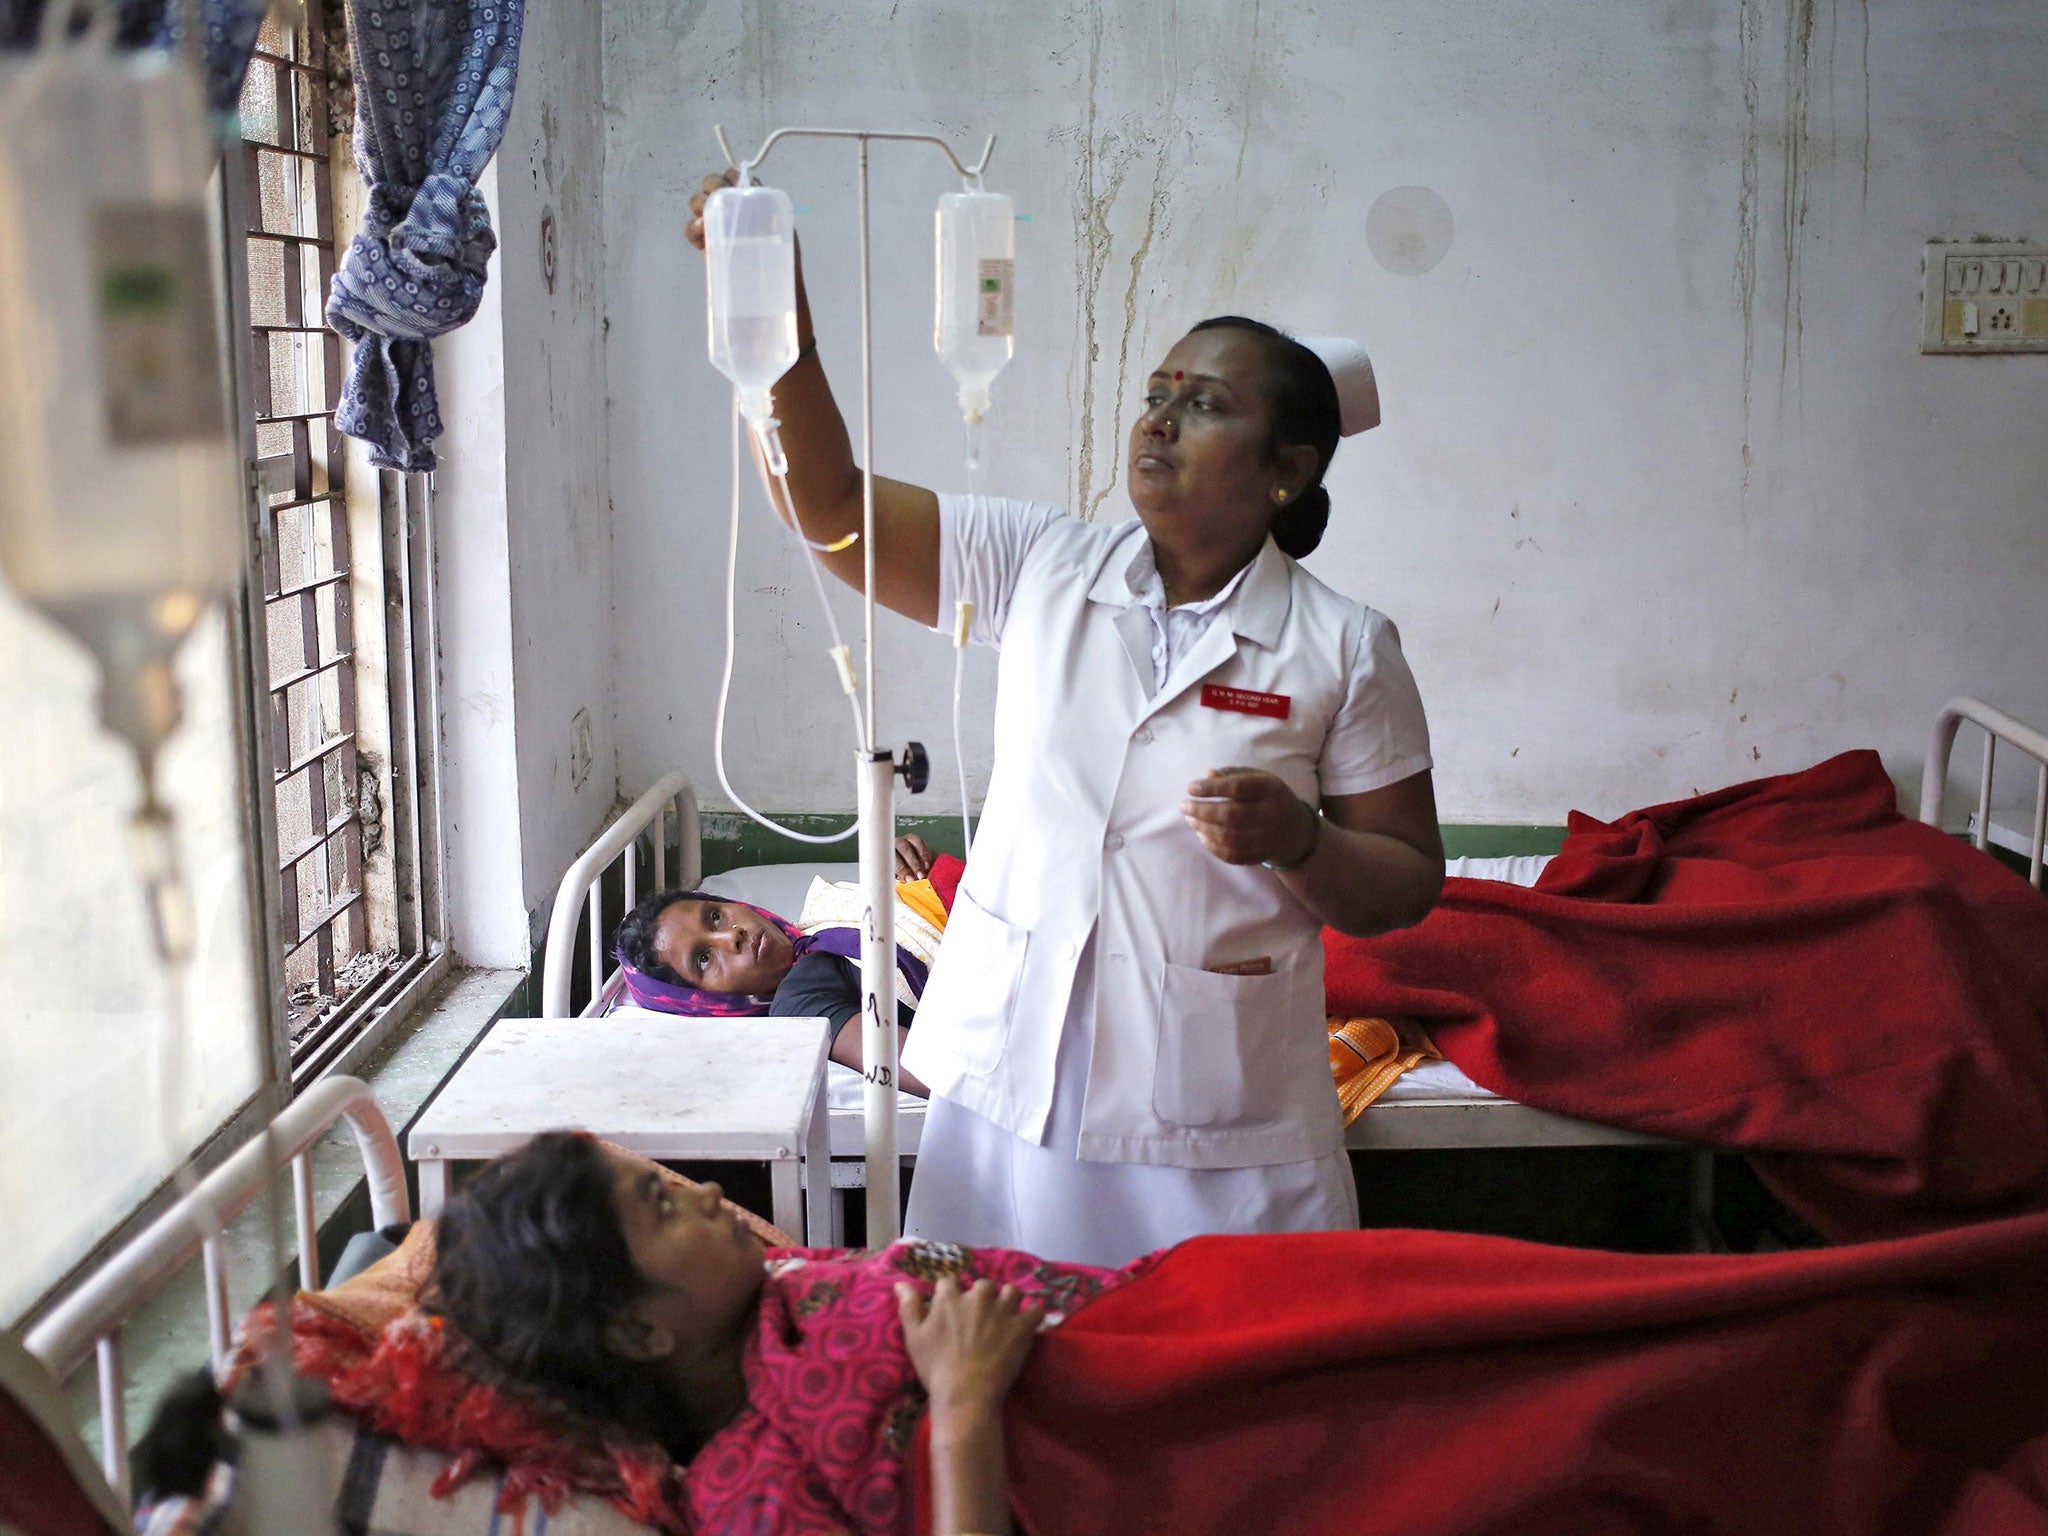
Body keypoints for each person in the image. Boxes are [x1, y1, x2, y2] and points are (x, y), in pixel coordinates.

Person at [685, 172, 1446, 1267]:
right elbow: (833, 511)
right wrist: (775, 315)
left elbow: (1406, 879)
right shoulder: (1039, 562)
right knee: (996, 1372)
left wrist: (1302, 843)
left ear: (1287, 471)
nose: (1161, 420)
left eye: (1207, 404)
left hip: (1217, 1118)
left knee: (1212, 1401)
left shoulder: (1343, 646)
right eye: (1158, 391)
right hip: (1009, 1091)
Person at [610, 832, 949, 1094]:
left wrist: (922, 869)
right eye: (704, 958)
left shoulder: (823, 923)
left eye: (715, 916)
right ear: (707, 1003)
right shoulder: (799, 1003)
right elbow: (938, 1073)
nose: (731, 937)